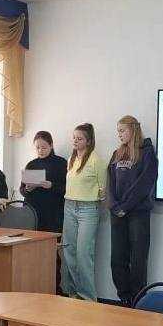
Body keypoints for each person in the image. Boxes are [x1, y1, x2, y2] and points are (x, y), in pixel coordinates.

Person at [108, 116, 158, 307]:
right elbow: (110, 181)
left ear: (133, 130)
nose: (119, 134)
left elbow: (144, 184)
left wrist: (125, 206)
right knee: (117, 258)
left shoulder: (147, 153)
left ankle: (138, 300)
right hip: (117, 214)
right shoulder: (117, 153)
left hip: (138, 213)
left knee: (138, 258)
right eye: (118, 131)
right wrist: (115, 206)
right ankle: (124, 297)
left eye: (122, 130)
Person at [61, 123, 106, 301]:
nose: (75, 141)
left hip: (88, 208)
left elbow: (103, 190)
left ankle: (88, 298)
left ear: (88, 141)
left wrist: (95, 200)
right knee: (69, 251)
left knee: (83, 254)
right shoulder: (71, 160)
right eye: (74, 137)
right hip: (69, 206)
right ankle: (73, 293)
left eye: (79, 139)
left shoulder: (96, 161)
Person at [20, 131, 67, 233]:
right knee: (32, 239)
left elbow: (67, 188)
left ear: (51, 145)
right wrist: (27, 189)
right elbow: (22, 190)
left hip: (53, 212)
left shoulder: (61, 163)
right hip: (33, 211)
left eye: (44, 147)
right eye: (37, 148)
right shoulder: (31, 164)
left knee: (52, 240)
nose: (40, 150)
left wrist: (52, 185)